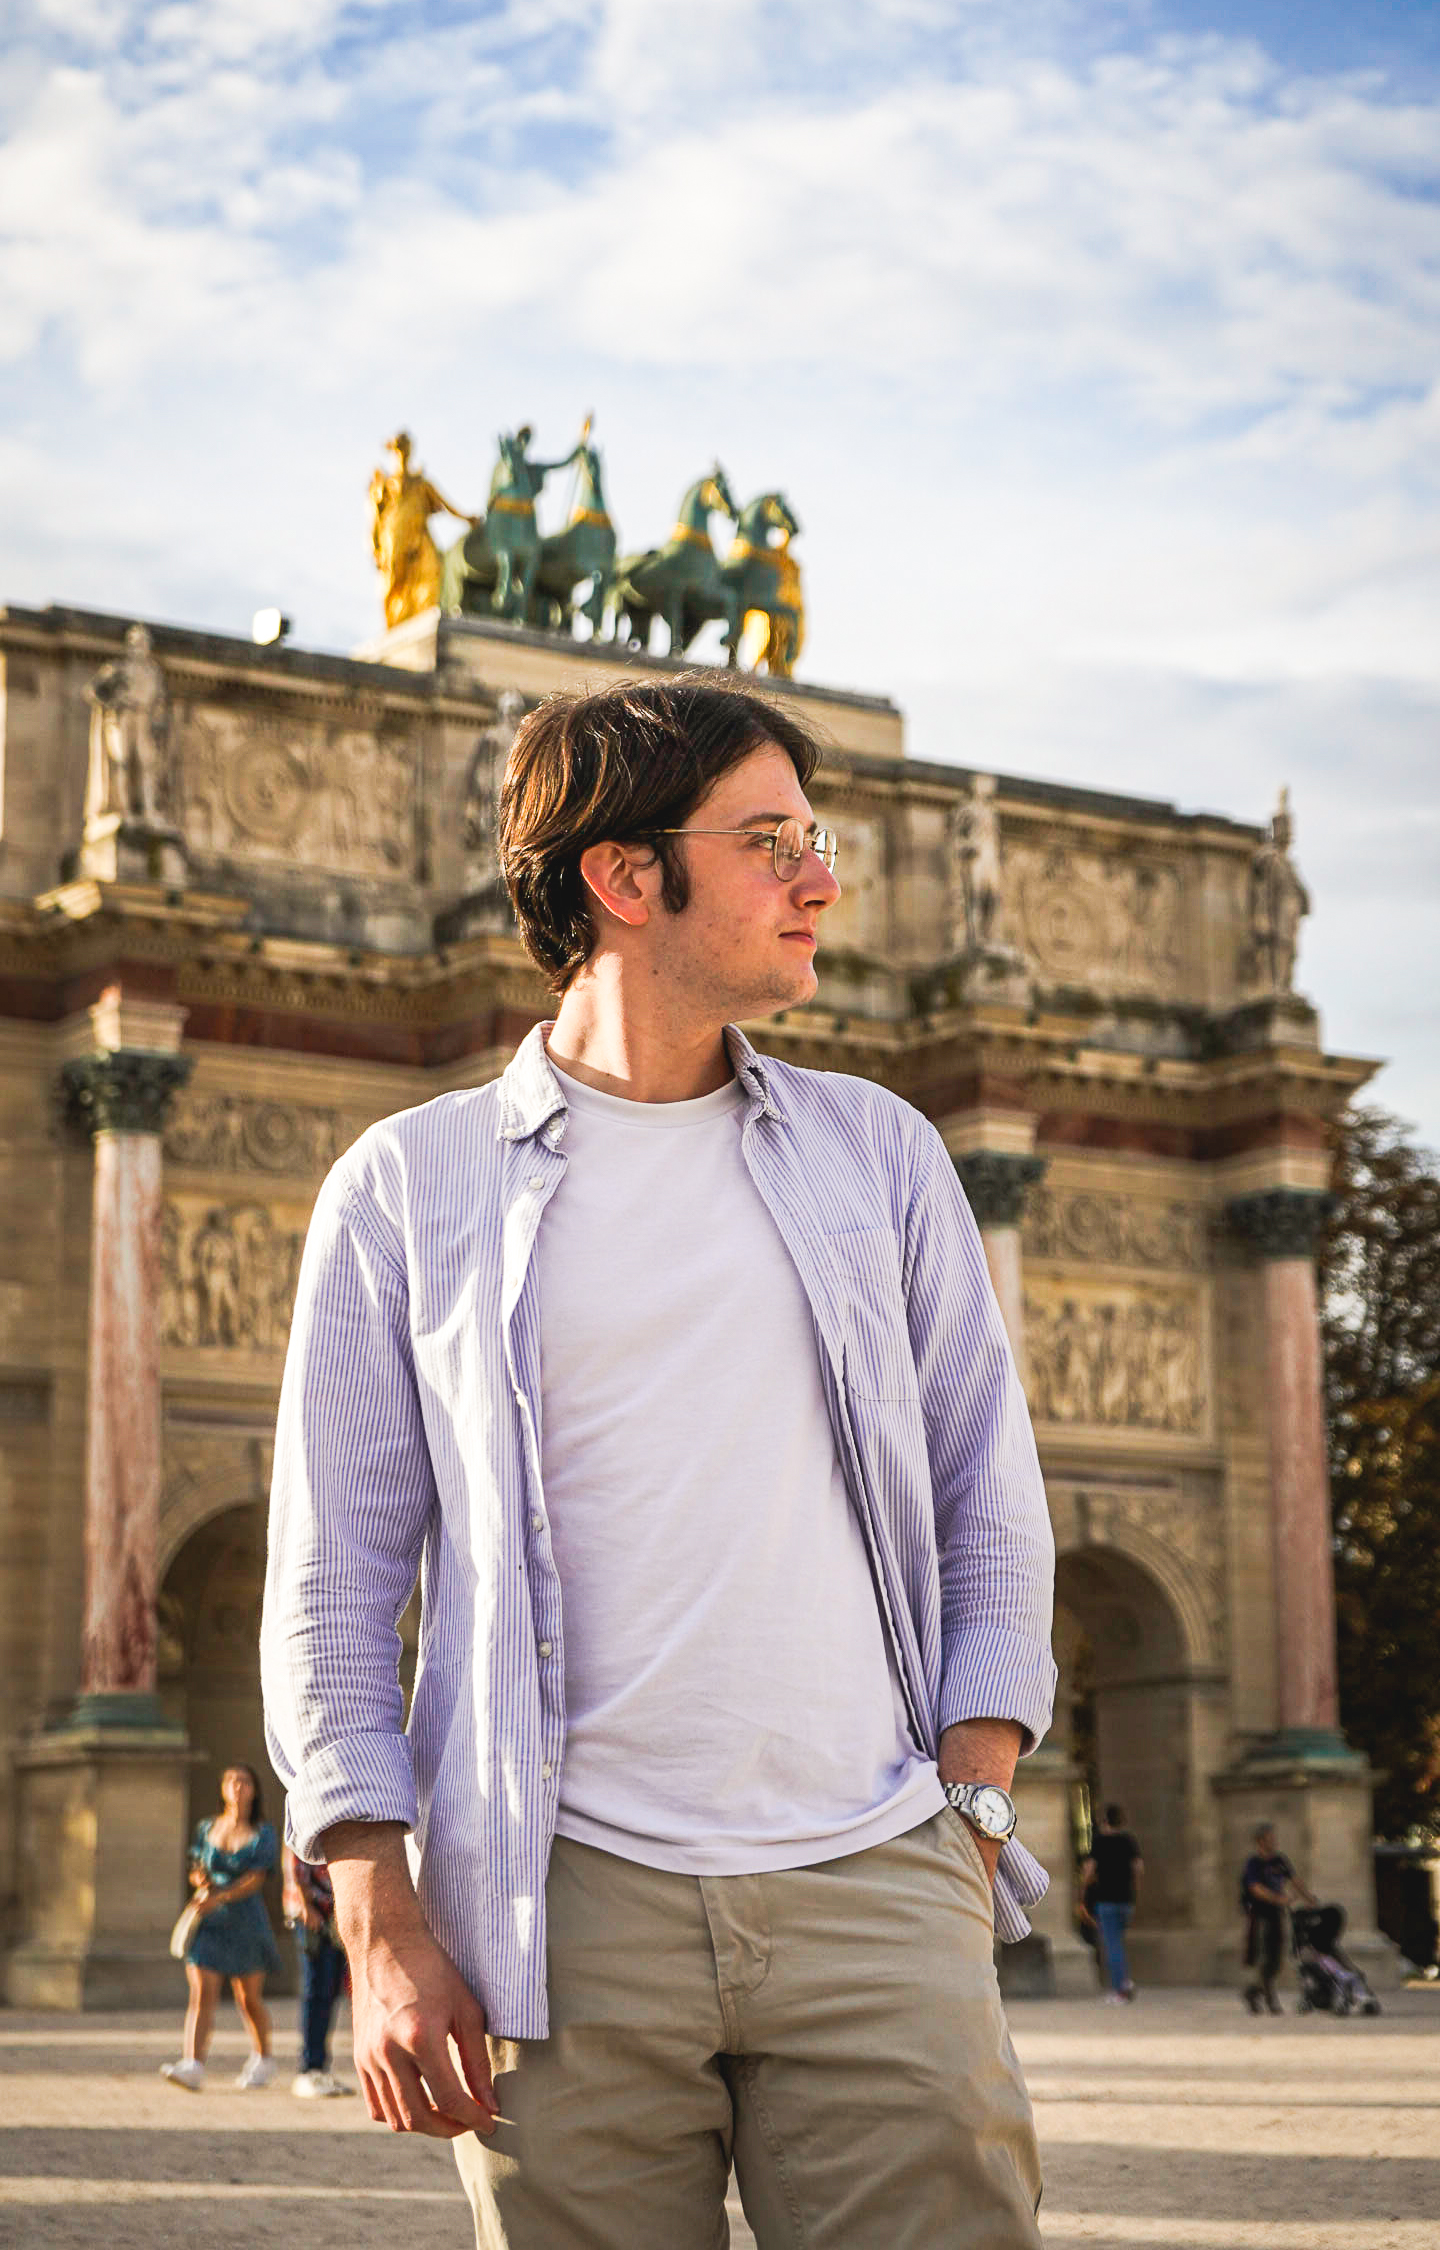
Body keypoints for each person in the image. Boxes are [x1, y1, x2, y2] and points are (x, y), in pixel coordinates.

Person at [262, 676, 1057, 2249]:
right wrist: (376, 1912)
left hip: (878, 1874)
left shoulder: (882, 1151)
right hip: (556, 1904)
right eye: (772, 843)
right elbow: (332, 1583)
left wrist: (971, 1812)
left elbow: (989, 1496)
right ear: (625, 876)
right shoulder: (404, 1187)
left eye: (817, 840)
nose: (820, 880)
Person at [161, 1762, 281, 2091]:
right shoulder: (207, 1827)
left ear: (254, 1790)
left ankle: (263, 2057)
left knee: (248, 1999)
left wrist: (222, 1897)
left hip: (246, 1922)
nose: (237, 1787)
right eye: (230, 1781)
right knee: (201, 1993)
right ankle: (193, 2063)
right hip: (209, 1921)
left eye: (244, 1781)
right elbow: (196, 1864)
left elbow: (256, 1878)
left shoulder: (264, 1834)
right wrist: (199, 1878)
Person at [283, 1844, 353, 2098]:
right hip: (313, 1914)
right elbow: (294, 1857)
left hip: (337, 1912)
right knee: (317, 1991)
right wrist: (305, 1904)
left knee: (331, 1991)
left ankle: (320, 2068)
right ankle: (310, 2068)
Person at [1242, 1821, 1315, 2015]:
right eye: (1269, 1838)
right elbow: (1255, 1888)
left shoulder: (1279, 1861)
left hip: (1277, 1915)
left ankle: (1254, 1992)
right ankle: (1267, 1997)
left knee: (1276, 1960)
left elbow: (1294, 1880)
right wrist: (1277, 1898)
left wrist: (1308, 1898)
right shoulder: (1254, 1863)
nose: (1273, 1841)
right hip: (1261, 1916)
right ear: (1260, 1841)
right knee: (1265, 1957)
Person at [1080, 1802, 1143, 2003]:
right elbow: (1138, 1868)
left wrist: (1083, 1889)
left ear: (1103, 1821)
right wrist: (1134, 1891)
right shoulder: (1129, 1840)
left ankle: (1121, 1988)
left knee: (1112, 1944)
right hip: (1126, 1899)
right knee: (1118, 1942)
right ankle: (1124, 1982)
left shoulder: (1100, 1841)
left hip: (1106, 1899)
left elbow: (1089, 1869)